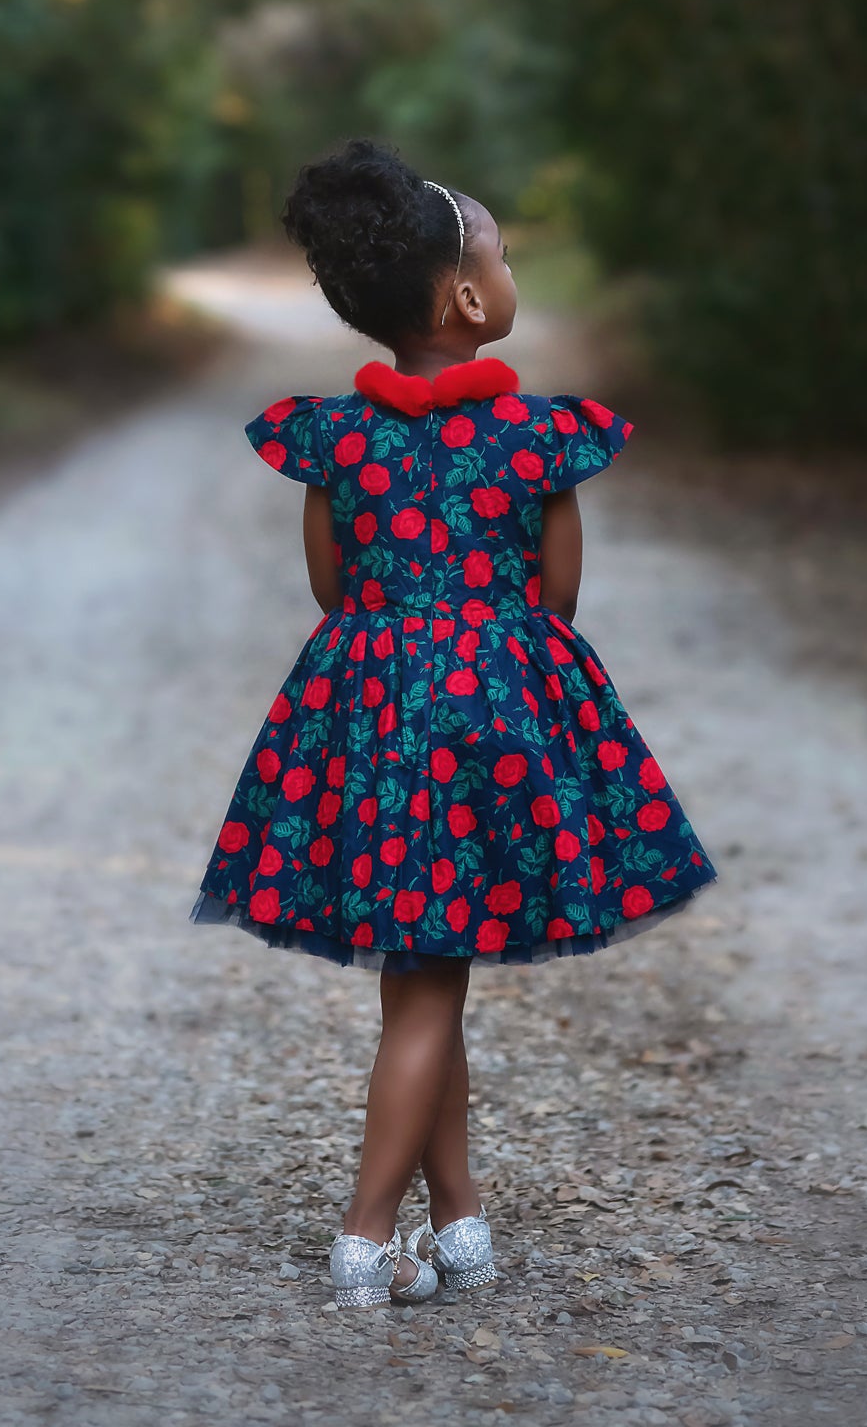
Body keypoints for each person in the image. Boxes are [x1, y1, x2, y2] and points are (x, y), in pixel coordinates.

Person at [191, 138, 718, 1310]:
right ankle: (366, 1236)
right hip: (490, 725)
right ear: (468, 298)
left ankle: (461, 1218)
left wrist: (405, 629)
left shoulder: (338, 438)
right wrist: (480, 635)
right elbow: (558, 598)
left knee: (425, 976)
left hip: (372, 720)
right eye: (503, 251)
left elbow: (334, 590)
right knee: (428, 986)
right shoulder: (535, 440)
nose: (511, 268)